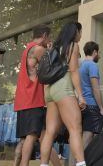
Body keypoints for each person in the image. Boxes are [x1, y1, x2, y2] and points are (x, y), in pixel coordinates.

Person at [39, 22, 87, 166]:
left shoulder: (54, 47)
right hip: (63, 87)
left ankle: (43, 164)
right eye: (80, 31)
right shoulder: (73, 45)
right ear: (75, 32)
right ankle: (81, 164)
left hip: (50, 90)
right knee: (75, 128)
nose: (81, 35)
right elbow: (73, 71)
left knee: (50, 132)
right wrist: (80, 95)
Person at [13, 24, 61, 166]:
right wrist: (51, 49)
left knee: (44, 136)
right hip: (33, 98)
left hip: (24, 98)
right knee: (31, 136)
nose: (49, 40)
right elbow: (53, 66)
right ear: (45, 36)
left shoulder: (28, 48)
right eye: (49, 37)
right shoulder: (39, 49)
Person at [79, 41, 103, 147]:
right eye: (99, 52)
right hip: (91, 105)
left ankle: (80, 161)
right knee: (87, 138)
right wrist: (101, 107)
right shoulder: (92, 65)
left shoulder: (80, 66)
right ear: (94, 52)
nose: (99, 55)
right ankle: (80, 162)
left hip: (81, 105)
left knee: (82, 138)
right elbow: (95, 88)